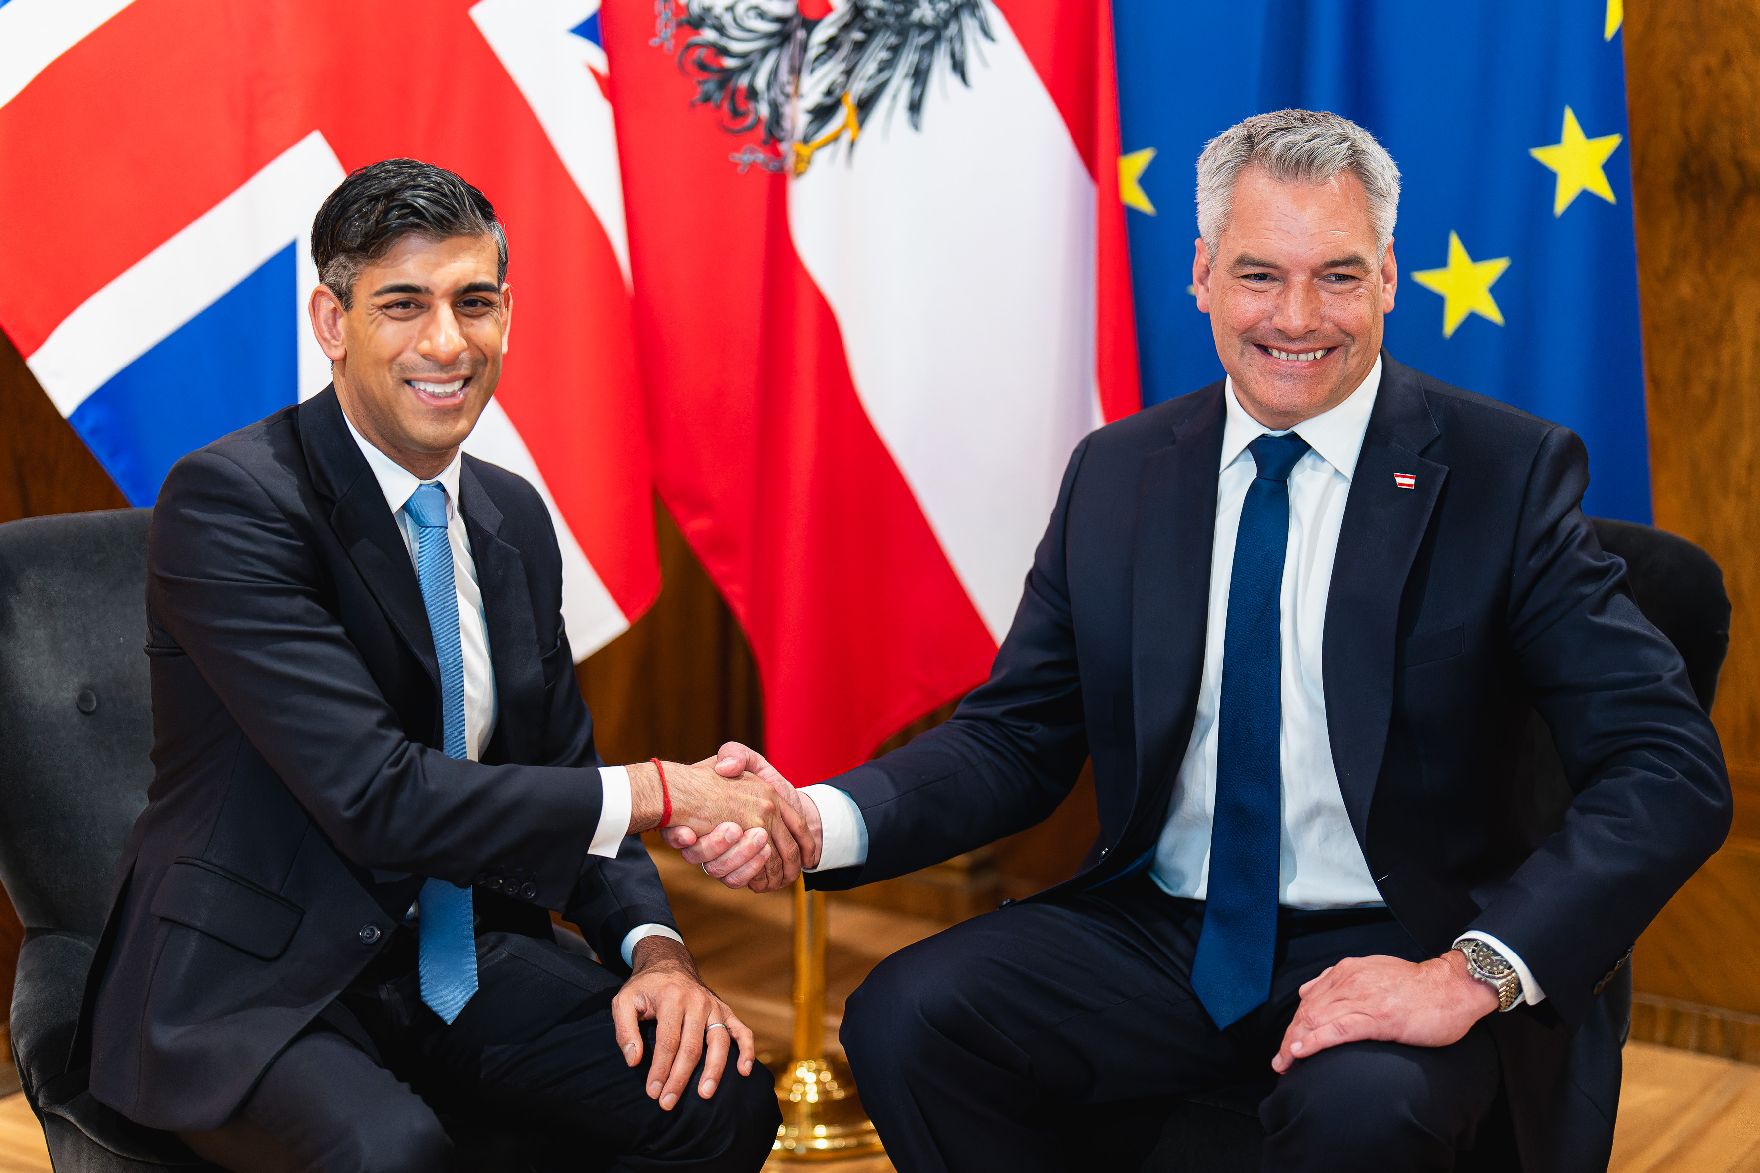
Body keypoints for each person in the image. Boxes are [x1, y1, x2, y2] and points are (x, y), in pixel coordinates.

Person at [674, 110, 1731, 1171]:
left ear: (1389, 279)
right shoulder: (1121, 473)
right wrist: (818, 819)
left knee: (1363, 1113)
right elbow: (1014, 737)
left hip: (1398, 932)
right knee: (911, 1016)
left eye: (1338, 276)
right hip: (1164, 928)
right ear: (1201, 275)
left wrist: (1466, 973)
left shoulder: (1503, 476)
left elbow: (1665, 770)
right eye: (1259, 274)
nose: (1296, 317)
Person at [76, 159, 807, 1172]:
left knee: (711, 1092)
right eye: (403, 305)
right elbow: (376, 797)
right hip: (257, 982)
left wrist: (658, 953)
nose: (445, 343)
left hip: (453, 957)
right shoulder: (232, 502)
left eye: (473, 303)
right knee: (397, 1154)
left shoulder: (509, 514)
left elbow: (563, 771)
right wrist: (661, 793)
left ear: (507, 312)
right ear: (330, 321)